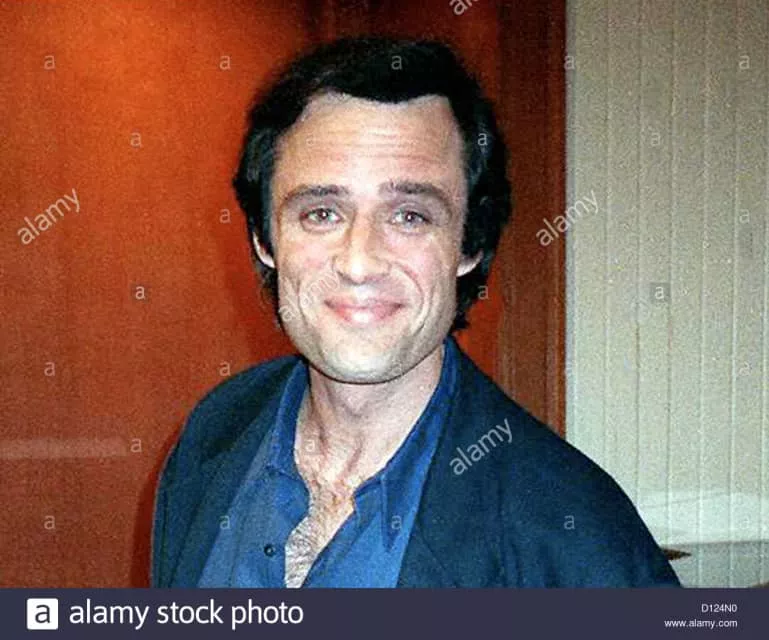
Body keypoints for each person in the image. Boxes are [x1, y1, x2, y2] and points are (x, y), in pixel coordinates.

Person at [151, 37, 680, 588]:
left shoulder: (576, 536)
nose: (359, 263)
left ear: (469, 244)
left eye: (409, 216)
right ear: (266, 238)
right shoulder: (216, 433)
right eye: (322, 213)